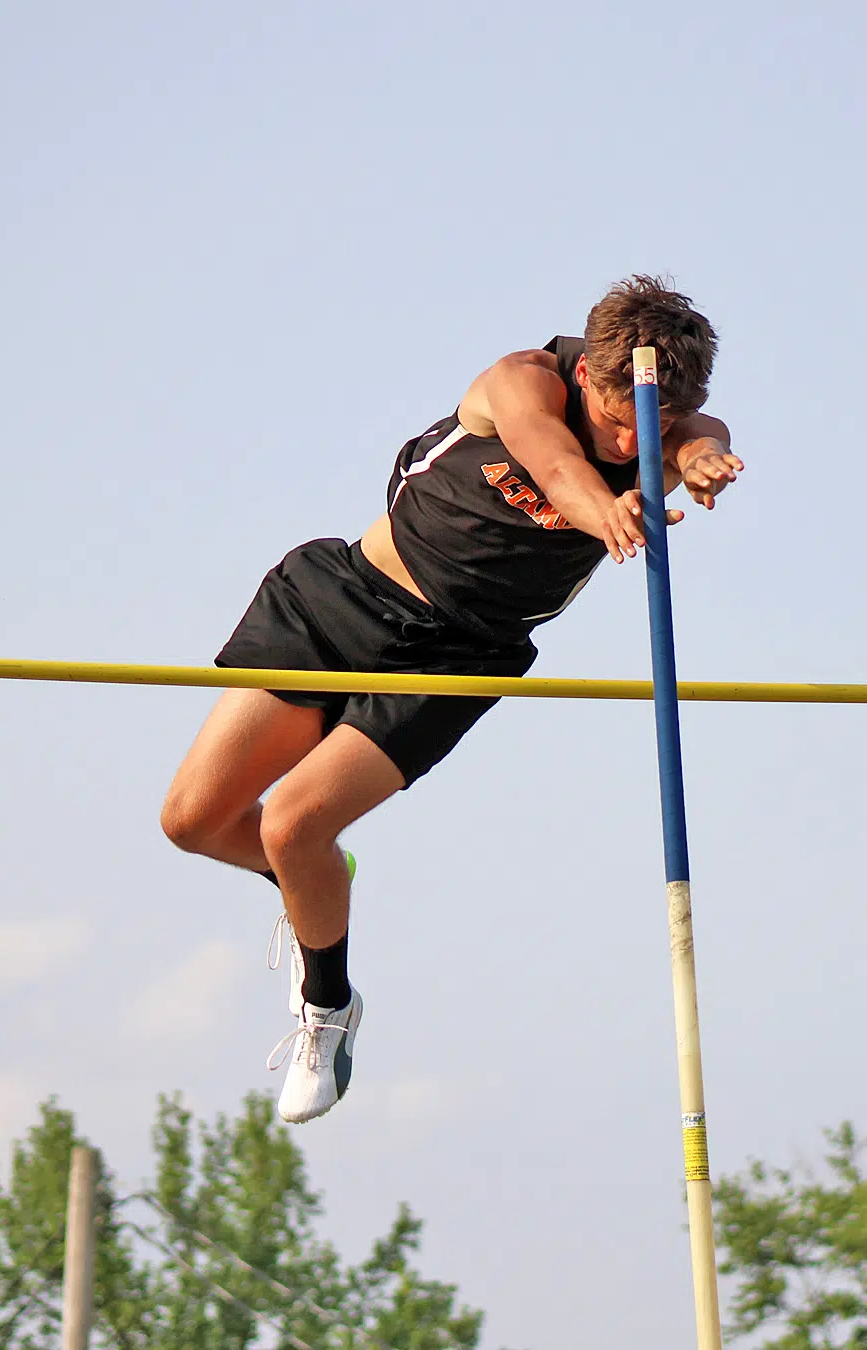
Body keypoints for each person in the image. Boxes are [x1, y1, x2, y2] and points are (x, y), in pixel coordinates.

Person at [159, 276, 743, 1123]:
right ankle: (313, 882)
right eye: (618, 422)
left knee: (293, 823)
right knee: (193, 821)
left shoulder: (671, 420)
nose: (630, 442)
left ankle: (328, 1008)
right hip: (342, 596)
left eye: (650, 431)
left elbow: (699, 442)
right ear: (586, 379)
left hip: (459, 655)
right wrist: (607, 512)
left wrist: (697, 461)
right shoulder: (522, 382)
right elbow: (555, 463)